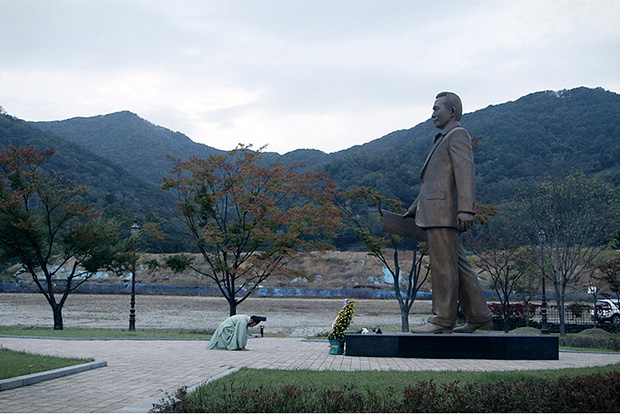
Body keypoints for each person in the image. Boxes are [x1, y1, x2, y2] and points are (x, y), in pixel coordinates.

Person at [403, 92, 492, 334]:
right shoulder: (443, 138)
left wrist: (466, 209)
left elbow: (465, 173)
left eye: (436, 108)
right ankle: (479, 317)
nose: (432, 114)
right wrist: (414, 209)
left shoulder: (457, 135)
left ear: (451, 111)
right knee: (459, 266)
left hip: (444, 215)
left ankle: (441, 320)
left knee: (443, 267)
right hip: (436, 212)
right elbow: (434, 183)